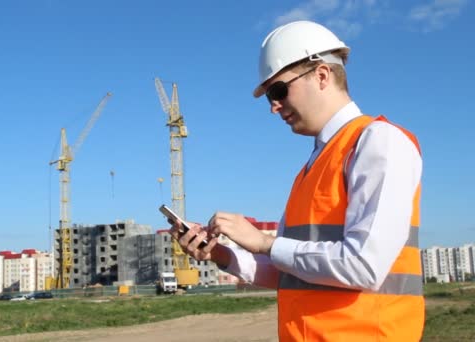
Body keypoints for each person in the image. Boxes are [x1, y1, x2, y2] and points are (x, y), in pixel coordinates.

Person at [170, 20, 424, 341]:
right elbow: (289, 272)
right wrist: (220, 254)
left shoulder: (378, 141)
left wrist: (264, 242)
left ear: (321, 75)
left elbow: (364, 266)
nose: (274, 107)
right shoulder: (312, 167)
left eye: (278, 90)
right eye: (268, 97)